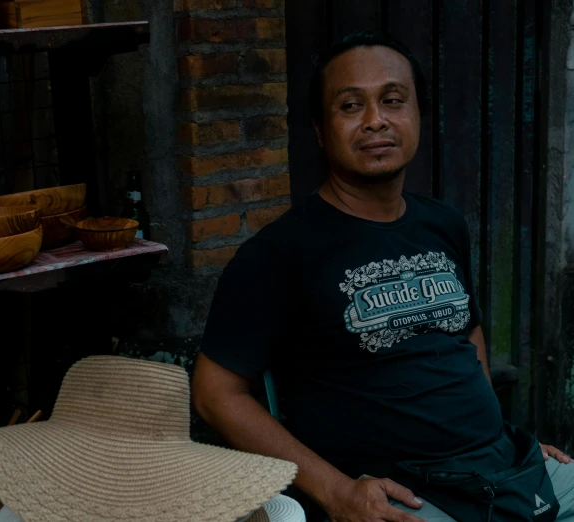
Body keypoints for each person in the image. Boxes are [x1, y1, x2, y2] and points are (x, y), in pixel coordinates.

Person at [191, 32, 574, 522]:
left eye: (393, 100)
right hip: (403, 495)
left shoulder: (444, 224)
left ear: (416, 114)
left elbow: (466, 331)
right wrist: (335, 491)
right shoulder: (278, 253)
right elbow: (214, 393)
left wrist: (496, 439)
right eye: (351, 105)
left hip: (503, 468)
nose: (376, 120)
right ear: (320, 130)